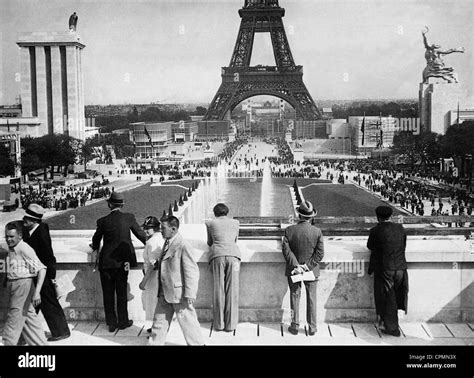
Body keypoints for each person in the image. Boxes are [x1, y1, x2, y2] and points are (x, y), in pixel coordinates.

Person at [91, 192, 147, 332]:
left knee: (107, 293)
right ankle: (123, 322)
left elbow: (96, 240)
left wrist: (94, 246)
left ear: (110, 205)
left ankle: (111, 323)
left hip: (106, 263)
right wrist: (151, 243)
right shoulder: (129, 217)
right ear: (121, 205)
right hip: (122, 262)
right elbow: (140, 234)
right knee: (121, 293)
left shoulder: (102, 221)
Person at [148, 216, 204, 345]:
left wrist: (190, 293)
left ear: (173, 229)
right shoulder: (168, 243)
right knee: (159, 322)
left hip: (179, 294)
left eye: (163, 228)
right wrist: (158, 263)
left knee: (188, 323)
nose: (160, 230)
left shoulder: (183, 245)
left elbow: (191, 271)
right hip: (164, 291)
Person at [22, 204, 71, 342]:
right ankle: (59, 331)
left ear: (35, 221)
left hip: (42, 274)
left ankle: (60, 332)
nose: (24, 220)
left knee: (49, 304)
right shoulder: (34, 229)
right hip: (35, 273)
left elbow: (49, 257)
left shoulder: (41, 233)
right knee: (39, 304)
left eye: (27, 218)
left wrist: (51, 277)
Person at [1, 221, 48, 345]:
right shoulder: (12, 248)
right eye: (6, 236)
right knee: (29, 319)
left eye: (11, 236)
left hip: (22, 286)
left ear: (20, 236)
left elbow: (42, 269)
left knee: (13, 319)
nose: (8, 239)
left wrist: (37, 292)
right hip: (16, 285)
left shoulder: (24, 248)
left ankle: (8, 343)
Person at [282, 200, 324, 336]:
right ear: (311, 216)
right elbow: (320, 254)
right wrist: (306, 266)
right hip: (310, 270)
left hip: (294, 270)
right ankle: (312, 327)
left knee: (294, 297)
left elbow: (286, 251)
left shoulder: (289, 230)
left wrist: (297, 266)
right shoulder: (317, 231)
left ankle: (294, 325)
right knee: (311, 299)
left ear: (298, 215)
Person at [367, 205, 409, 337]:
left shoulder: (375, 230)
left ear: (378, 217)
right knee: (395, 296)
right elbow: (403, 244)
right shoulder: (400, 228)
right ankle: (390, 323)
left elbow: (370, 246)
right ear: (391, 216)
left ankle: (392, 328)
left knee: (388, 298)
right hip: (401, 267)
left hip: (387, 269)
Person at [205, 203, 240, 332]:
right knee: (232, 290)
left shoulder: (210, 224)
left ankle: (219, 324)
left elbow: (209, 242)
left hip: (217, 256)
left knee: (218, 289)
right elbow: (235, 240)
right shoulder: (236, 223)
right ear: (227, 212)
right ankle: (231, 325)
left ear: (215, 213)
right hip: (234, 256)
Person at [138, 216, 162, 334]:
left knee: (152, 303)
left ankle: (156, 331)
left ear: (155, 228)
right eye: (145, 228)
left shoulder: (152, 242)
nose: (146, 230)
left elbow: (153, 265)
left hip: (152, 278)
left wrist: (144, 281)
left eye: (148, 228)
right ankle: (156, 328)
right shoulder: (159, 239)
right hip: (157, 276)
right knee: (155, 303)